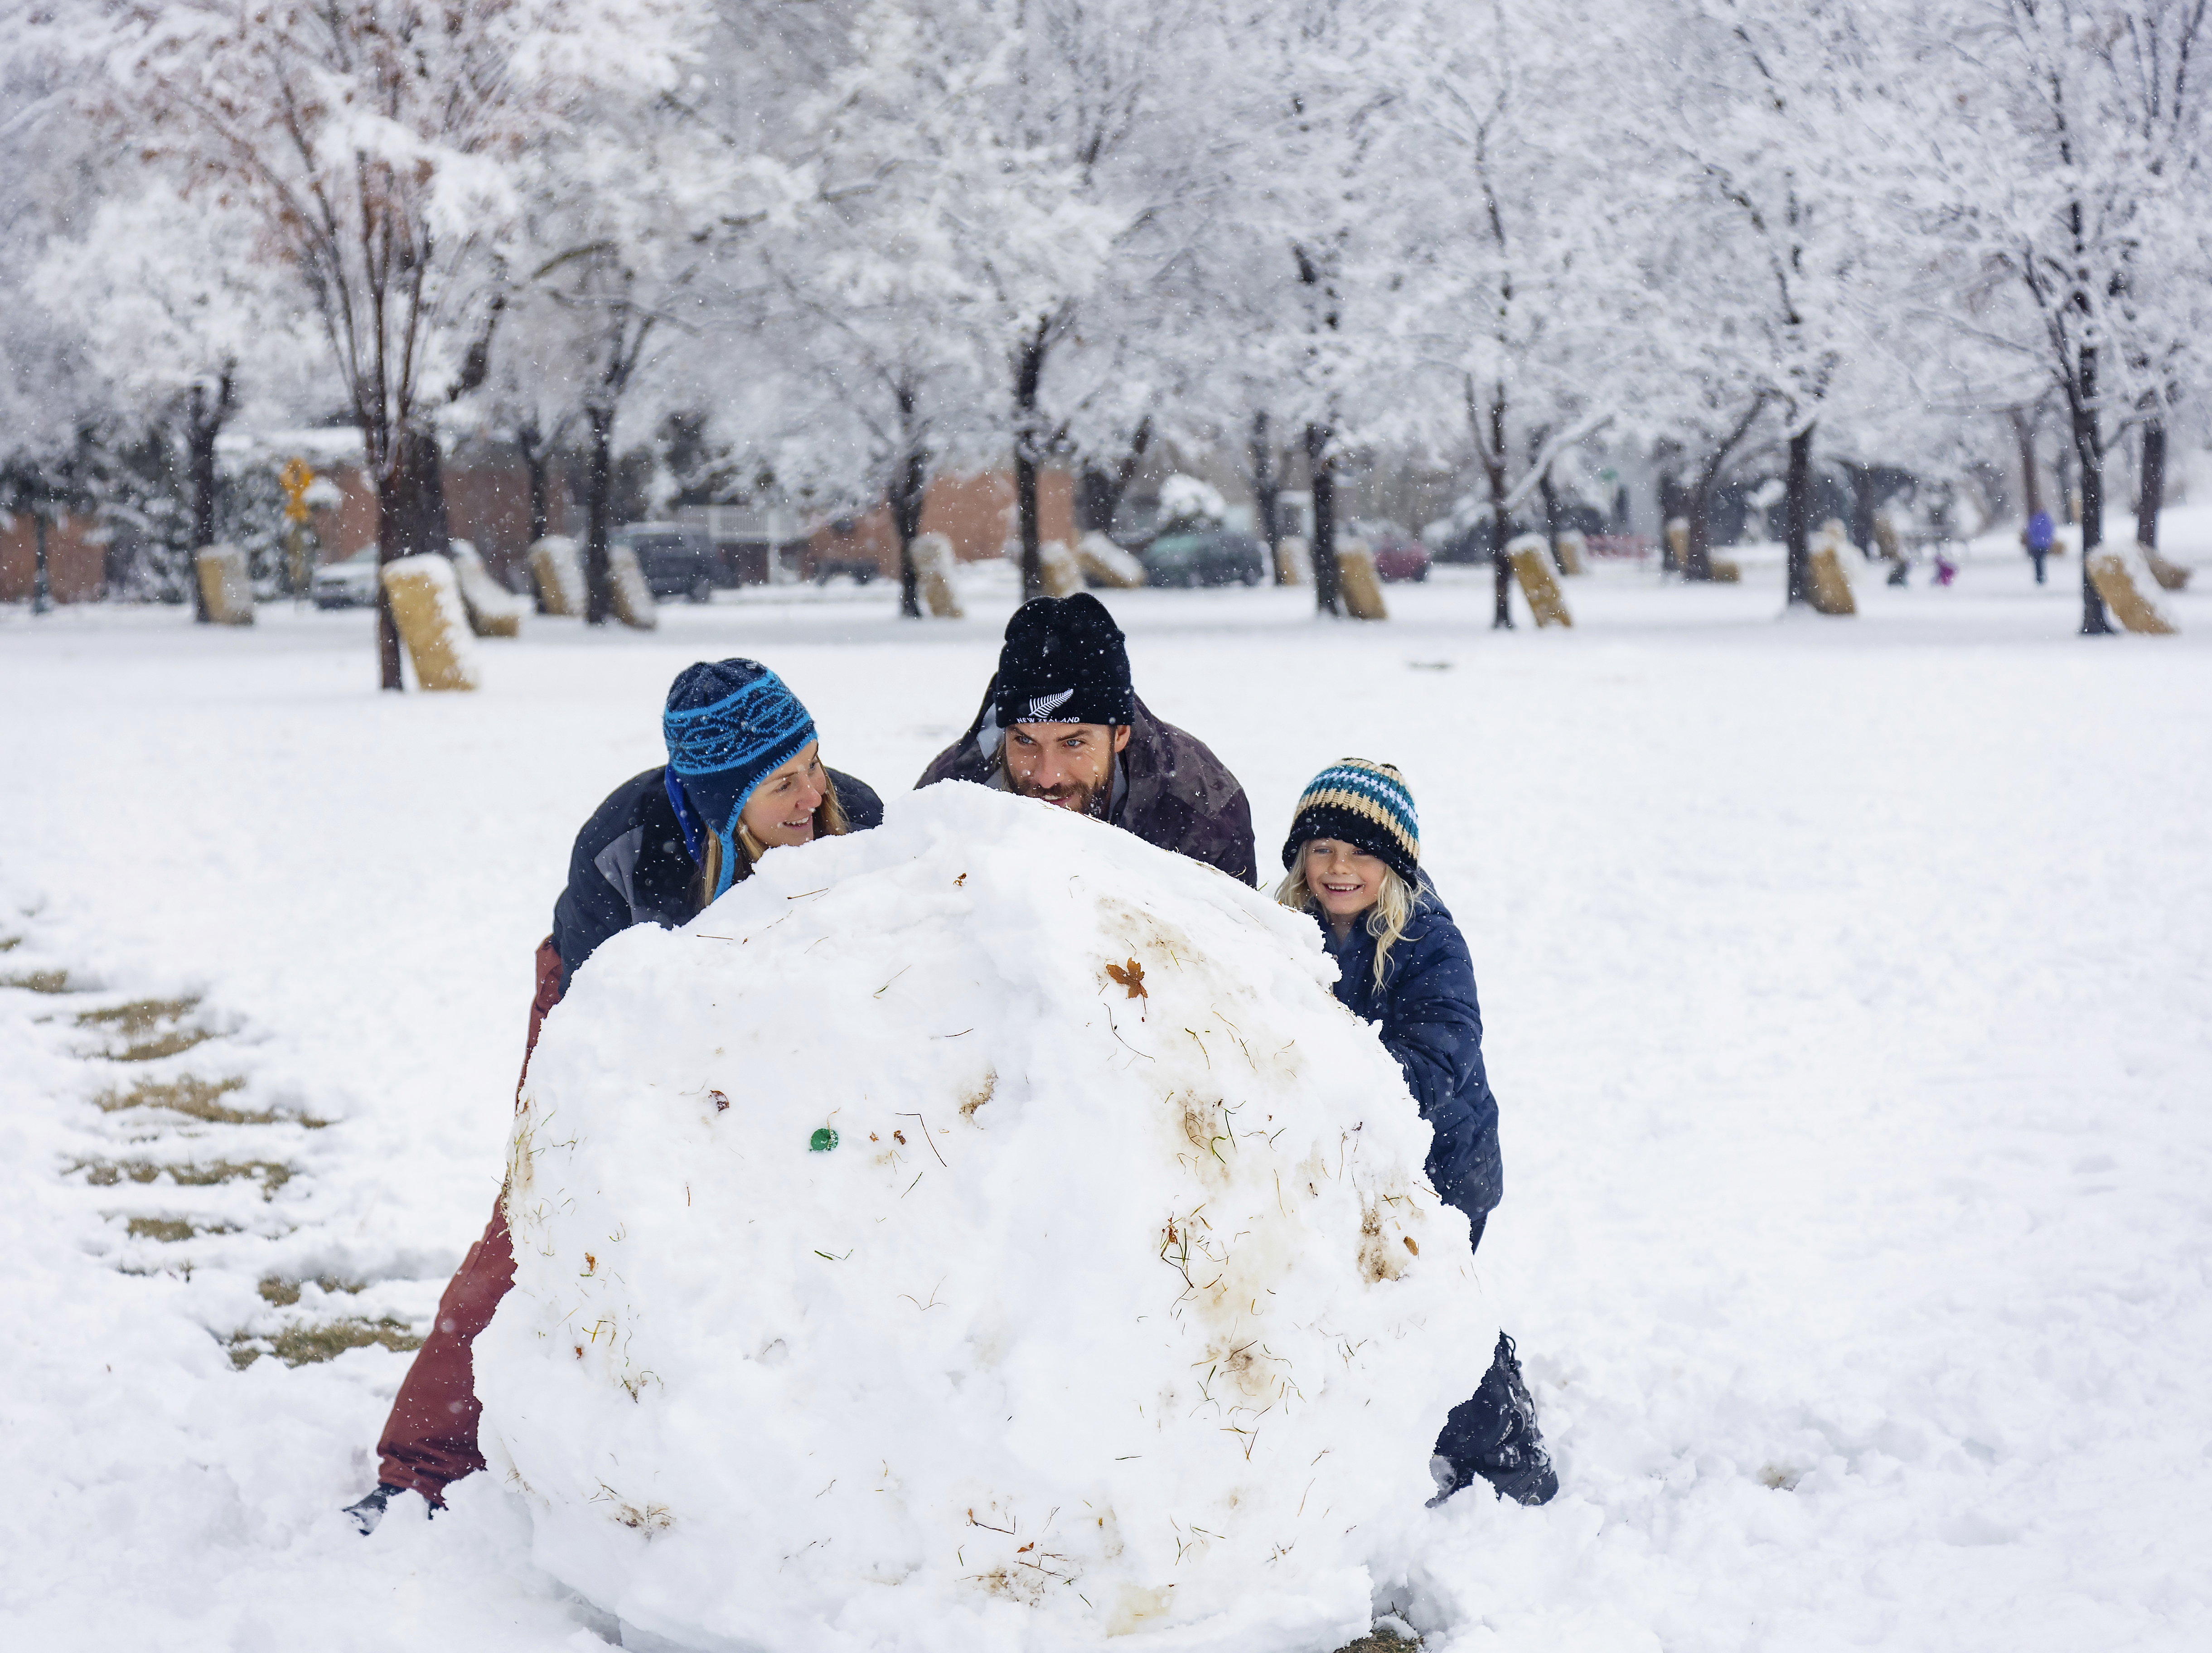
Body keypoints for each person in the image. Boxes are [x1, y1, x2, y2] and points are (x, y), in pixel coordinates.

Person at [346, 660, 881, 1533]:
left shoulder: (856, 819)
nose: (812, 797)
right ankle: (422, 1469)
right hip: (605, 1018)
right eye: (782, 781)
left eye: (814, 763)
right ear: (718, 795)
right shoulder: (627, 846)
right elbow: (607, 1044)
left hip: (784, 1032)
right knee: (546, 1218)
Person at [1275, 759, 1558, 1507]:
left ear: (1394, 864)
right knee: (1352, 1299)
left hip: (1442, 1169)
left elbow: (1438, 1055)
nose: (1339, 869)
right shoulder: (1280, 930)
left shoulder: (1427, 942)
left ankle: (1507, 1452)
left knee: (1431, 1304)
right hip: (1346, 1163)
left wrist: (1333, 1069)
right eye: (1323, 848)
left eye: (1362, 854)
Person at [915, 592, 1256, 884]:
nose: (1047, 778)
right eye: (1024, 742)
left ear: (1121, 733)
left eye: (1073, 743)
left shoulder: (1201, 808)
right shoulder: (949, 796)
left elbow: (1236, 949)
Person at [2023, 510, 2055, 585]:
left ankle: (2039, 577)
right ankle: (2043, 576)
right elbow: (2051, 531)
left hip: (2036, 545)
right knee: (2042, 561)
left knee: (2038, 562)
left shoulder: (2036, 520)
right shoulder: (2048, 520)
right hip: (2045, 545)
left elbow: (2031, 531)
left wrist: (2032, 540)